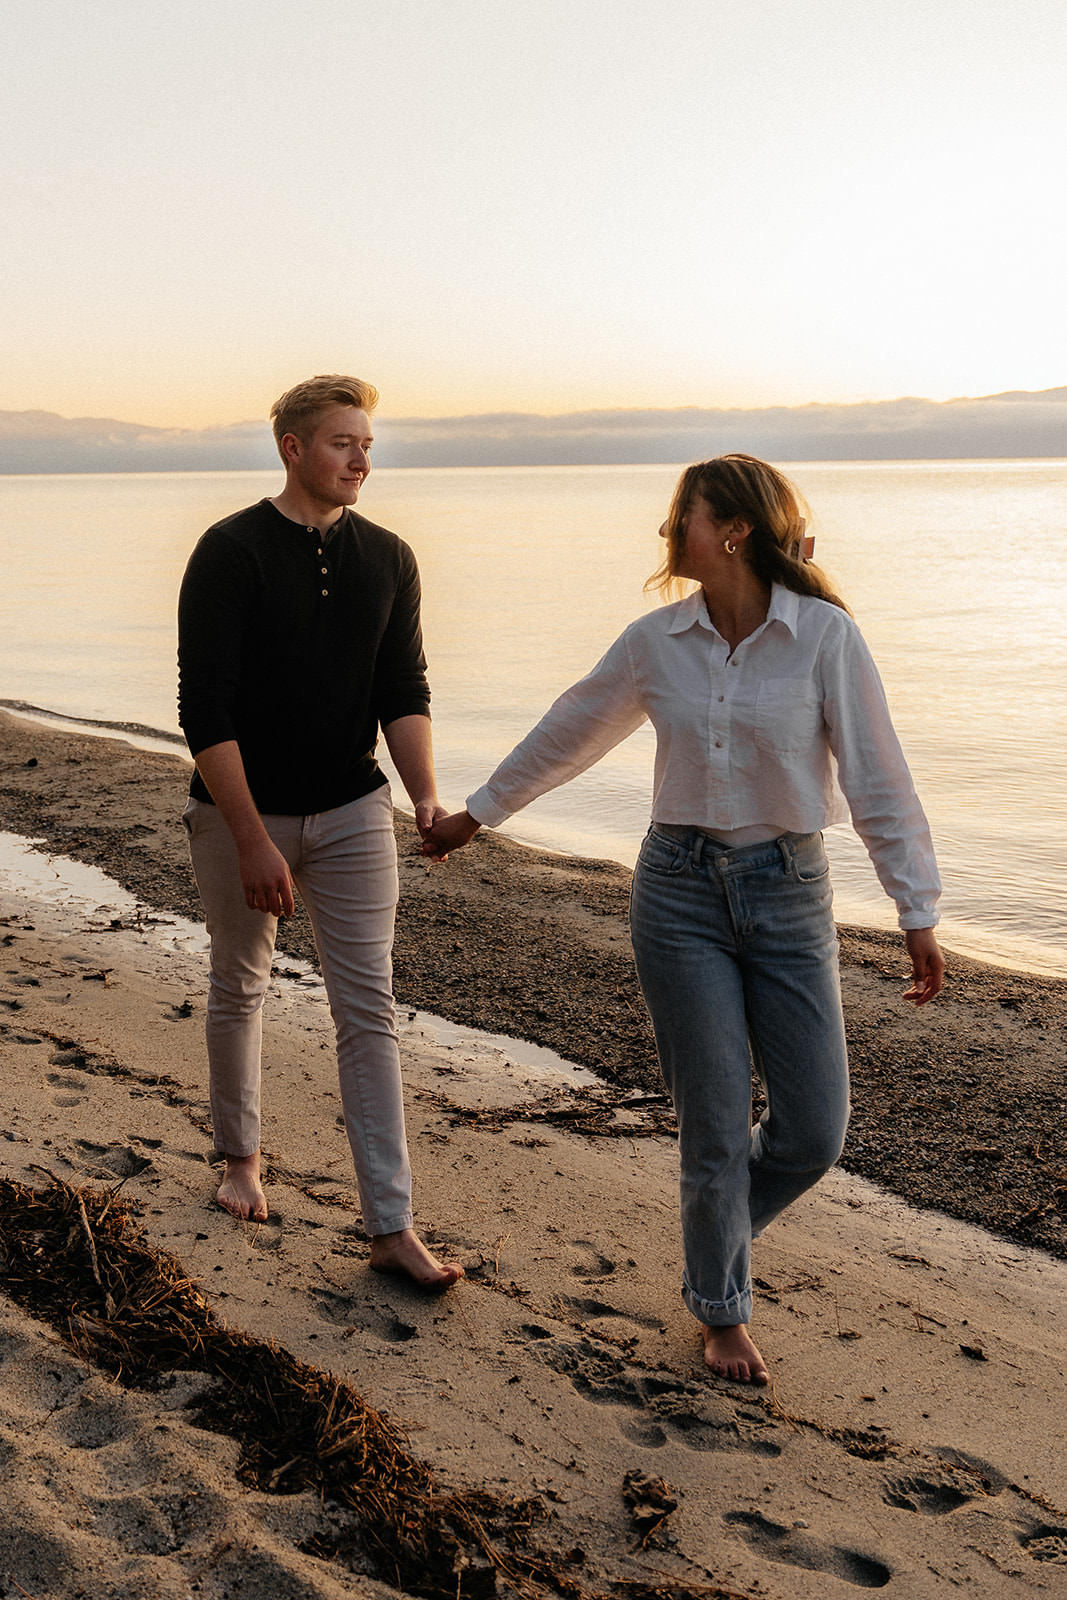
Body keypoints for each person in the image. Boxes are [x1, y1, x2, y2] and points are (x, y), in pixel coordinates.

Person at [422, 453, 943, 1375]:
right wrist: (477, 813)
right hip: (677, 891)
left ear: (732, 529)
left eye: (683, 517)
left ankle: (715, 1226)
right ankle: (719, 1306)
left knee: (813, 1132)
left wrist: (916, 908)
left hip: (788, 890)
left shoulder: (824, 637)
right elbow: (571, 728)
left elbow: (877, 776)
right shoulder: (653, 641)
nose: (670, 533)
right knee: (709, 1120)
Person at [177, 374, 463, 1291]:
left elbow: (402, 690)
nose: (361, 460)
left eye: (368, 444)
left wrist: (421, 796)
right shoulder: (229, 551)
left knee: (367, 1009)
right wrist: (252, 837)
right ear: (293, 448)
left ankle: (390, 1225)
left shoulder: (390, 557)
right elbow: (204, 709)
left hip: (351, 811)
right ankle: (240, 1165)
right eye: (344, 443)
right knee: (240, 984)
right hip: (238, 816)